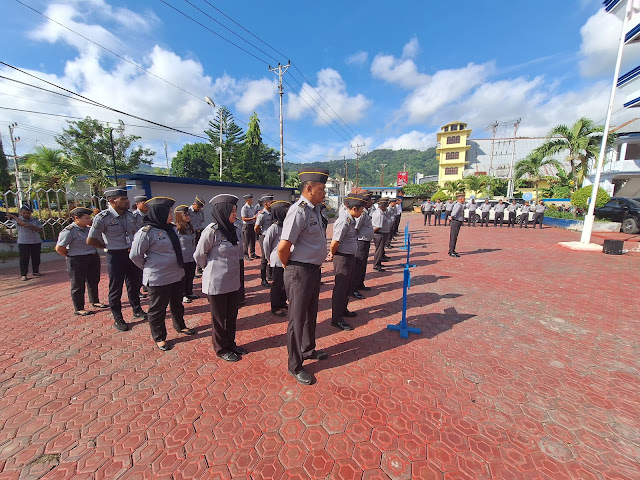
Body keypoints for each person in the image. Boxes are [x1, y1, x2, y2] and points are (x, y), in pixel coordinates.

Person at [278, 168, 330, 385]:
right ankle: (295, 364)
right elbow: (283, 247)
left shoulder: (316, 210)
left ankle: (308, 350)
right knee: (297, 319)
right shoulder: (298, 211)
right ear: (309, 188)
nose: (324, 193)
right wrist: (289, 266)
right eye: (321, 189)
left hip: (312, 270)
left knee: (311, 313)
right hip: (299, 271)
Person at [130, 197, 194, 351]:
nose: (171, 215)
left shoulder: (171, 229)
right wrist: (150, 268)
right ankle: (160, 337)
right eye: (169, 212)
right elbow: (135, 256)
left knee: (177, 304)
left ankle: (180, 326)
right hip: (158, 278)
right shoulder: (146, 233)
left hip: (176, 274)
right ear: (159, 213)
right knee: (157, 309)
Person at [195, 194, 247, 362]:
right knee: (219, 318)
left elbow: (239, 253)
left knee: (232, 315)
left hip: (232, 280)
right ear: (223, 212)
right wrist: (208, 269)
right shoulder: (211, 231)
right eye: (232, 211)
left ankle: (231, 343)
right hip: (216, 282)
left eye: (235, 210)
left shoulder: (235, 229)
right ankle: (221, 348)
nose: (235, 214)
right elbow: (199, 255)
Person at [87, 187, 146, 332]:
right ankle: (118, 318)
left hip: (131, 254)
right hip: (115, 255)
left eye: (126, 198)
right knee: (116, 288)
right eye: (123, 199)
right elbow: (91, 240)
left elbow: (135, 233)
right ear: (112, 201)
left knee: (134, 284)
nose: (127, 201)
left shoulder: (130, 216)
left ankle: (137, 310)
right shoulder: (103, 217)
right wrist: (106, 247)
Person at [55, 207, 107, 315]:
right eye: (86, 218)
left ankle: (95, 301)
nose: (89, 220)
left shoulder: (89, 229)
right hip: (77, 259)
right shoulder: (69, 231)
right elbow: (59, 248)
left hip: (92, 258)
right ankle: (79, 308)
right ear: (77, 218)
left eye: (89, 217)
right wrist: (71, 255)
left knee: (93, 280)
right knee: (78, 284)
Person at [329, 193, 367, 331]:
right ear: (355, 208)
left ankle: (343, 310)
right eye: (361, 210)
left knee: (347, 287)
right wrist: (332, 254)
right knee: (340, 288)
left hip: (349, 257)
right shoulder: (344, 220)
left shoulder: (351, 220)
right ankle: (336, 319)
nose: (362, 212)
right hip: (342, 258)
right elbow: (335, 242)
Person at [263, 200, 290, 317]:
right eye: (286, 210)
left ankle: (282, 301)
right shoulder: (274, 227)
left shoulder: (287, 225)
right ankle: (275, 306)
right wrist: (268, 257)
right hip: (277, 259)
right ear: (279, 212)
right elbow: (266, 243)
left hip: (286, 258)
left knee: (285, 283)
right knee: (277, 284)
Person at [8, 205, 43, 281]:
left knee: (36, 258)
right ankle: (24, 275)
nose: (26, 215)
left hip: (36, 241)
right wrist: (14, 217)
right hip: (24, 242)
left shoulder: (35, 220)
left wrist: (31, 226)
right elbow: (22, 224)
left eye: (28, 213)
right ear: (21, 213)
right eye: (24, 213)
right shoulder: (18, 220)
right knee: (24, 259)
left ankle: (36, 272)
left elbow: (40, 229)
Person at [174, 205, 198, 303]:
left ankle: (189, 292)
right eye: (185, 215)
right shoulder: (177, 229)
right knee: (182, 277)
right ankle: (182, 294)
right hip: (182, 257)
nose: (188, 216)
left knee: (190, 275)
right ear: (180, 216)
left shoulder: (190, 227)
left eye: (188, 214)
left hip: (191, 256)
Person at [352, 191, 374, 298]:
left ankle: (360, 284)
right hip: (360, 242)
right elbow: (355, 228)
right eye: (370, 200)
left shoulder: (366, 212)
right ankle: (354, 288)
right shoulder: (362, 213)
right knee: (358, 265)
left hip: (365, 241)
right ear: (365, 202)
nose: (372, 202)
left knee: (363, 265)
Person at [132, 195, 149, 298]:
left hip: (148, 242)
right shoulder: (133, 216)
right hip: (137, 243)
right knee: (137, 268)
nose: (146, 204)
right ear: (137, 204)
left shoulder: (148, 215)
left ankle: (146, 285)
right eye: (144, 202)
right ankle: (137, 289)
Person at [256, 194, 274, 287]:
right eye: (271, 202)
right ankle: (263, 279)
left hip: (271, 237)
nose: (272, 203)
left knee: (271, 255)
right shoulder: (262, 214)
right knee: (264, 258)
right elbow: (257, 227)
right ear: (266, 203)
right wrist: (261, 235)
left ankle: (270, 275)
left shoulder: (272, 213)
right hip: (264, 236)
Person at [371, 197, 390, 272]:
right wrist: (371, 233)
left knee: (380, 249)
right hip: (380, 234)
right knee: (379, 250)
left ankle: (378, 263)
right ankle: (376, 265)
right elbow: (378, 227)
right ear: (382, 206)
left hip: (380, 234)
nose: (386, 207)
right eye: (386, 206)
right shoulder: (380, 214)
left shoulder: (378, 211)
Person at [189, 196, 206, 276]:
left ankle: (199, 269)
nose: (199, 208)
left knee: (200, 251)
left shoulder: (200, 211)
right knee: (192, 252)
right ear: (194, 204)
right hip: (191, 233)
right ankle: (192, 272)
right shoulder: (188, 211)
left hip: (199, 232)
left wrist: (201, 212)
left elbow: (202, 220)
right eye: (198, 207)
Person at [241, 194, 258, 260]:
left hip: (252, 225)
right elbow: (243, 218)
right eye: (251, 199)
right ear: (248, 200)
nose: (252, 200)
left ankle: (253, 254)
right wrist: (252, 218)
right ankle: (245, 255)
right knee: (246, 241)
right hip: (247, 226)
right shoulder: (245, 208)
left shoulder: (252, 207)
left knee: (253, 240)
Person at [448, 192, 465, 257]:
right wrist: (451, 217)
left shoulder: (460, 205)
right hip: (455, 221)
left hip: (457, 221)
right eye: (464, 198)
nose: (464, 200)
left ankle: (452, 250)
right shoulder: (458, 205)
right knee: (453, 237)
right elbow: (454, 213)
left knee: (454, 237)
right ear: (460, 199)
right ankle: (451, 251)